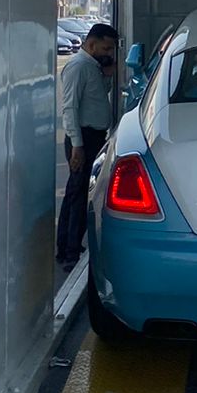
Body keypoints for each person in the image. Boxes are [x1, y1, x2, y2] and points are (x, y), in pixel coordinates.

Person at [55, 21, 118, 269]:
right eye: (106, 48)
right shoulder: (78, 67)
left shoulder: (93, 67)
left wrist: (108, 75)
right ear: (91, 44)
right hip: (82, 137)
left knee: (81, 193)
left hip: (93, 136)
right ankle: (68, 252)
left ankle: (73, 246)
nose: (109, 53)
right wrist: (78, 147)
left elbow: (99, 95)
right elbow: (69, 108)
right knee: (77, 195)